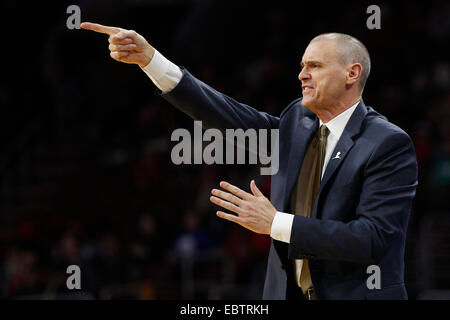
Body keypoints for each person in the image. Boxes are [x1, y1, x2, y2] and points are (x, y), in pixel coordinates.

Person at [80, 22, 418, 300]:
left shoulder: (387, 143)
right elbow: (226, 116)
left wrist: (276, 224)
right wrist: (151, 60)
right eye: (301, 66)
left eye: (314, 66)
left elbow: (372, 239)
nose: (302, 75)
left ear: (352, 73)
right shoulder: (296, 124)